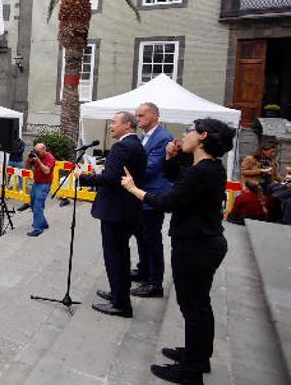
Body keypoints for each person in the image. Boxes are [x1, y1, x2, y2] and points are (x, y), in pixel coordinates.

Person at [120, 118, 234, 385]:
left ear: (203, 136)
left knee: (193, 306)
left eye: (189, 131)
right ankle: (198, 355)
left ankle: (191, 371)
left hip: (197, 246)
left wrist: (134, 189)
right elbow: (177, 180)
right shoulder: (209, 167)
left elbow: (169, 201)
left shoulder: (203, 171)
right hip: (202, 243)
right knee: (198, 305)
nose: (185, 135)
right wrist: (172, 158)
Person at [76, 111, 147, 318]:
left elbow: (111, 178)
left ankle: (121, 303)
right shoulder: (135, 145)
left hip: (117, 212)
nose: (110, 126)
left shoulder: (123, 147)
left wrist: (85, 177)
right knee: (119, 256)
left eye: (114, 123)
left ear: (127, 125)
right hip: (126, 210)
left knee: (116, 257)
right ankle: (117, 293)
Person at [131, 102, 174, 298]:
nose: (138, 119)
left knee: (152, 239)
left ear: (155, 115)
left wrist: (126, 171)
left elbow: (150, 167)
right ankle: (143, 270)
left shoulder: (163, 138)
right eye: (137, 116)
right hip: (141, 195)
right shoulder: (145, 137)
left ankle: (155, 282)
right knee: (141, 236)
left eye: (141, 116)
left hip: (153, 196)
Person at [25, 142, 56, 237]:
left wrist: (38, 160)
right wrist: (29, 159)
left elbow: (47, 171)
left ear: (44, 150)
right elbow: (27, 167)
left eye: (38, 151)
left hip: (44, 184)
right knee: (33, 204)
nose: (36, 153)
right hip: (36, 182)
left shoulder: (50, 158)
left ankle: (38, 228)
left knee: (38, 205)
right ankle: (43, 223)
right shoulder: (36, 156)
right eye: (35, 151)